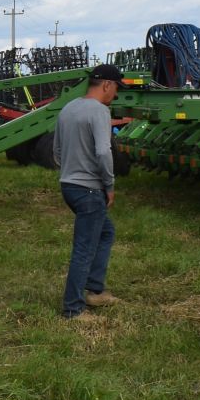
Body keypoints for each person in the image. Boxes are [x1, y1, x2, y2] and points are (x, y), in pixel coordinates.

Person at [56, 63, 122, 319]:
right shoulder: (100, 111)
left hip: (69, 186)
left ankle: (95, 289)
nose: (115, 94)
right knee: (84, 247)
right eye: (115, 88)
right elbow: (104, 152)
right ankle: (73, 308)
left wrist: (71, 171)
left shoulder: (69, 108)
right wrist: (109, 185)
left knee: (105, 232)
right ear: (106, 84)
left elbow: (57, 150)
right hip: (90, 190)